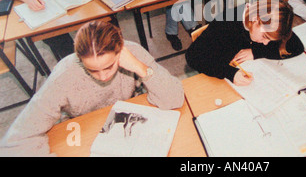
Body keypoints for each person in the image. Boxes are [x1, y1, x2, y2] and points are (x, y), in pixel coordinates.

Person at [0, 21, 184, 156]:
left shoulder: (132, 52)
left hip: (127, 126)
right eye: (92, 70)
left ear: (120, 51)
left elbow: (174, 99)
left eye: (109, 66)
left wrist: (141, 68)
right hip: (83, 129)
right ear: (80, 60)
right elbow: (15, 142)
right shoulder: (64, 75)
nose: (103, 76)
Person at [185, 0, 304, 86]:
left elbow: (296, 47)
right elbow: (193, 56)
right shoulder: (226, 22)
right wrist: (230, 73)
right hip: (219, 72)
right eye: (265, 37)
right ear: (255, 19)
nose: (266, 43)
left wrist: (256, 52)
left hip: (244, 71)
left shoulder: (270, 20)